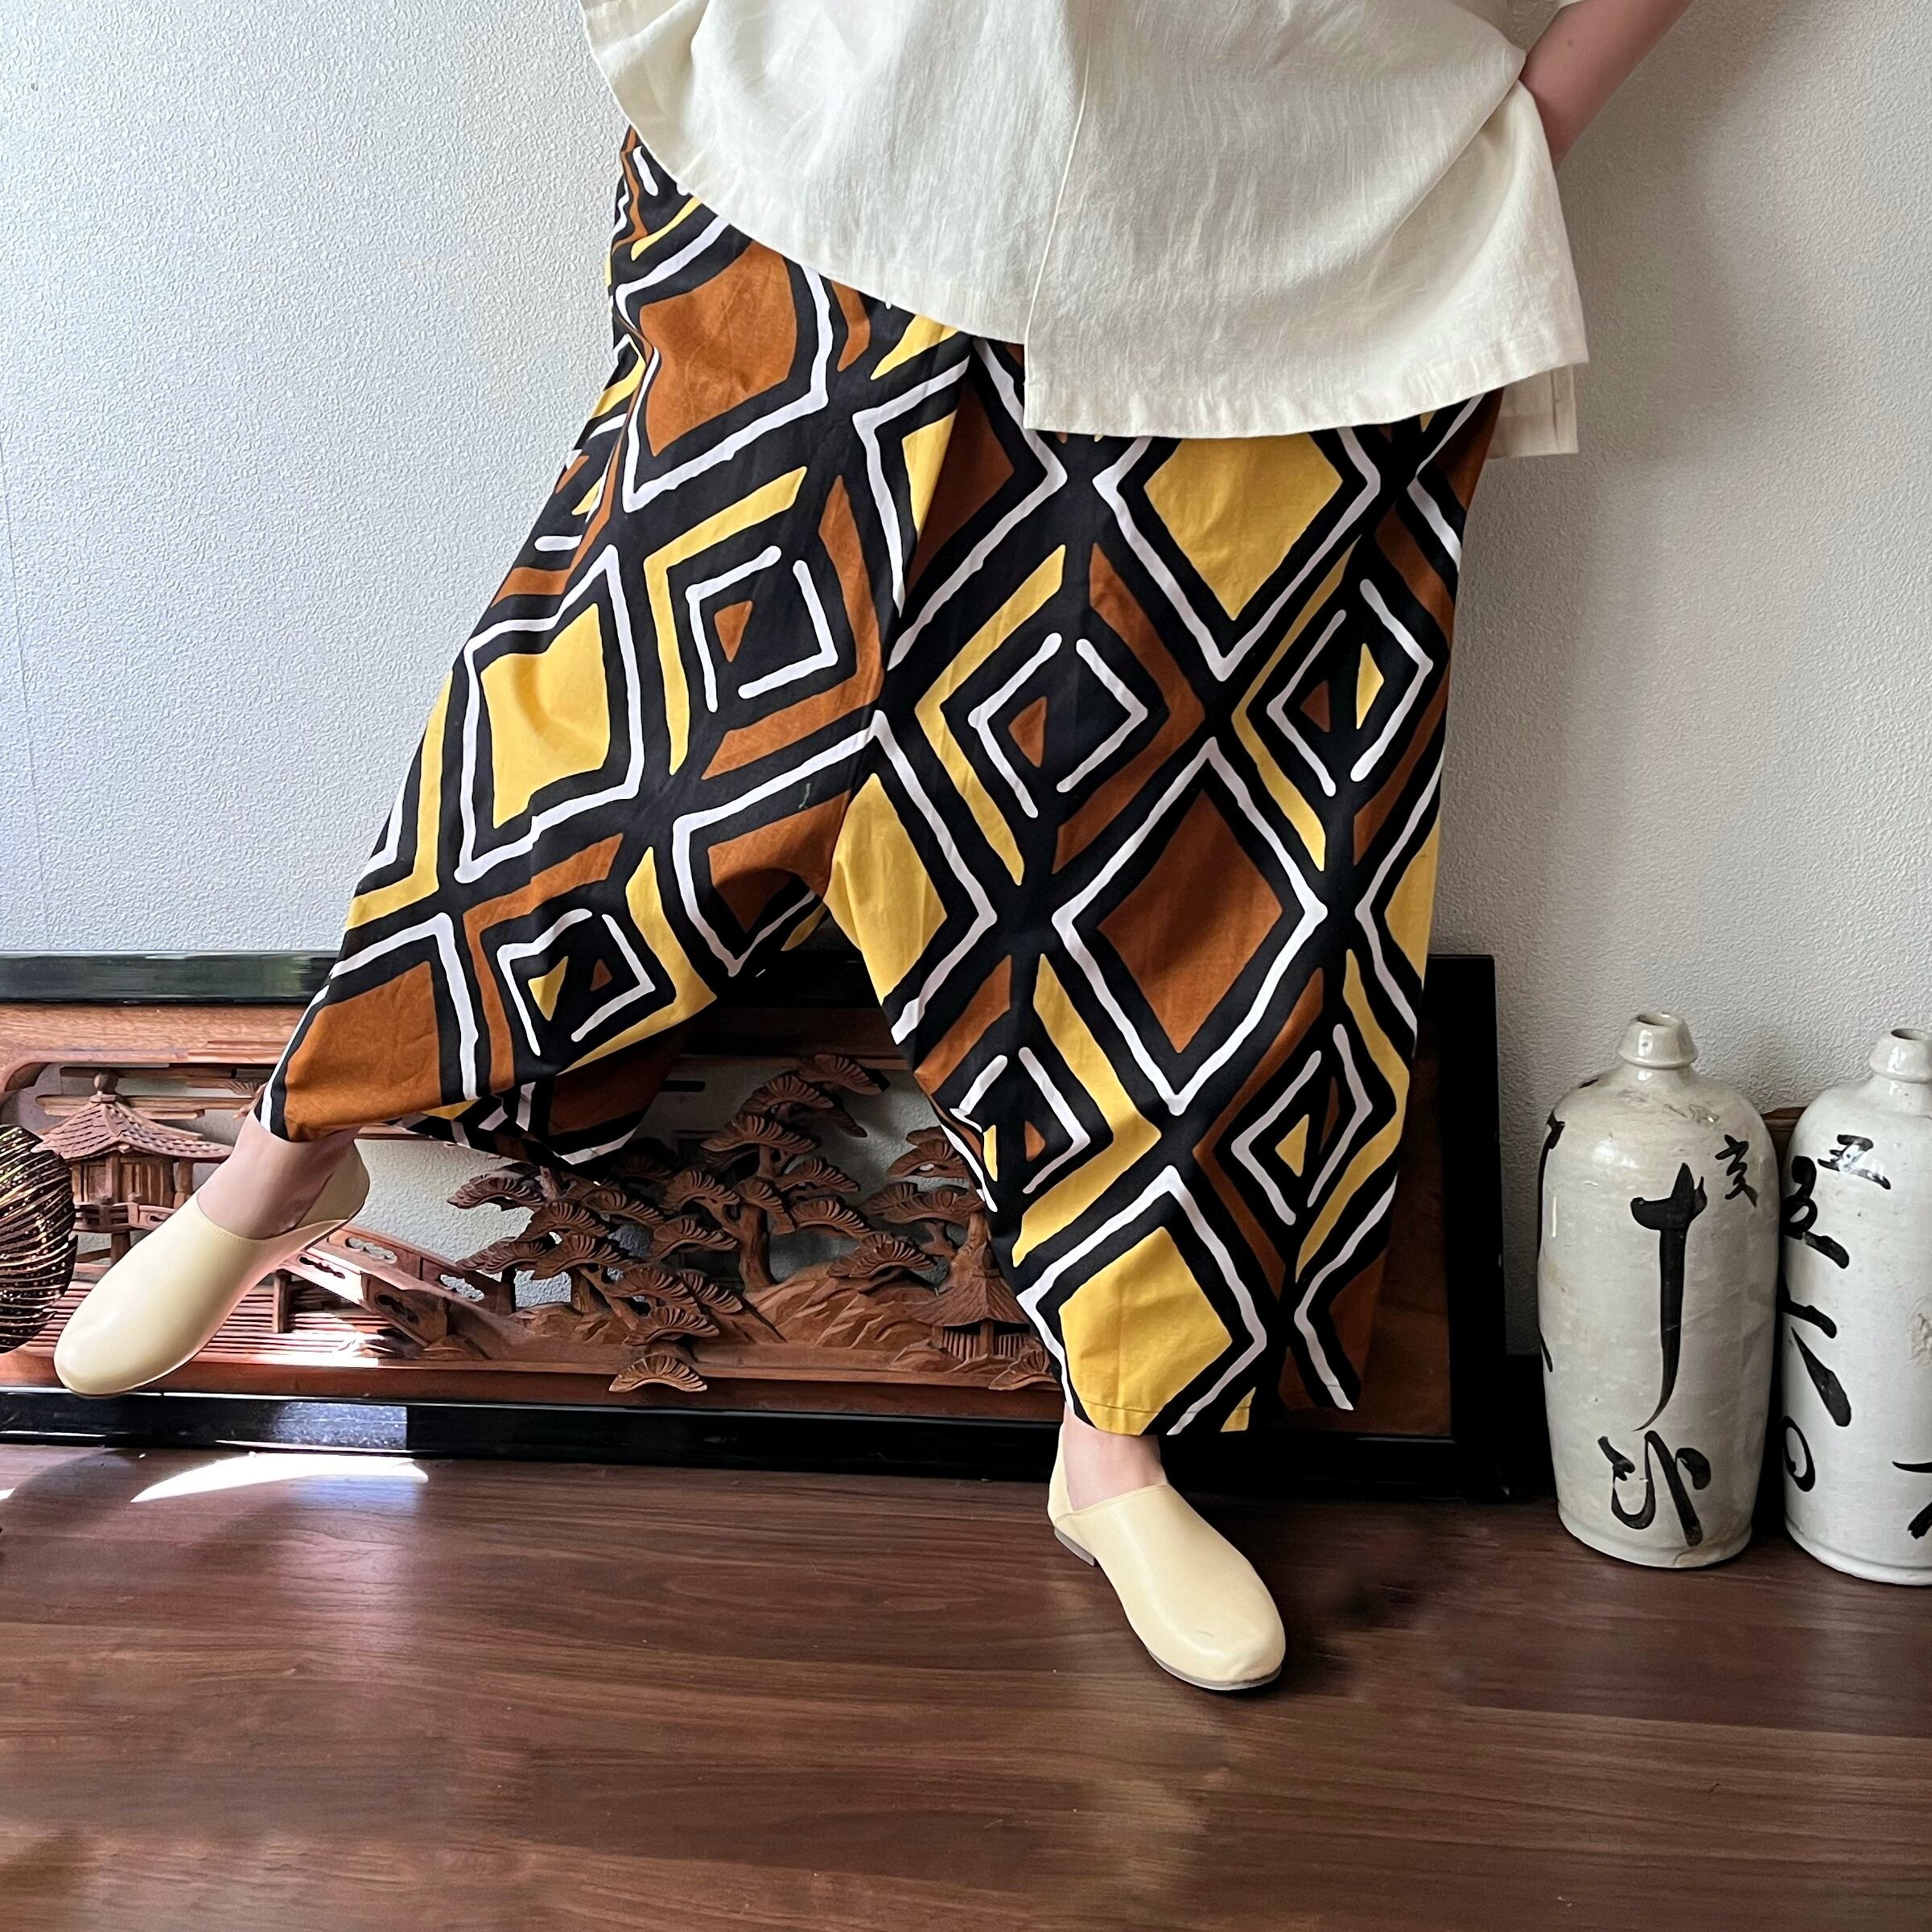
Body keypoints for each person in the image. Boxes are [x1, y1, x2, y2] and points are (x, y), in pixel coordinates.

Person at [57, 0, 1695, 1692]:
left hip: (1289, 195)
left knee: (1183, 853)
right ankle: (302, 1141)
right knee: (630, 723)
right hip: (854, 118)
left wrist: (1534, 117)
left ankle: (1117, 1437)